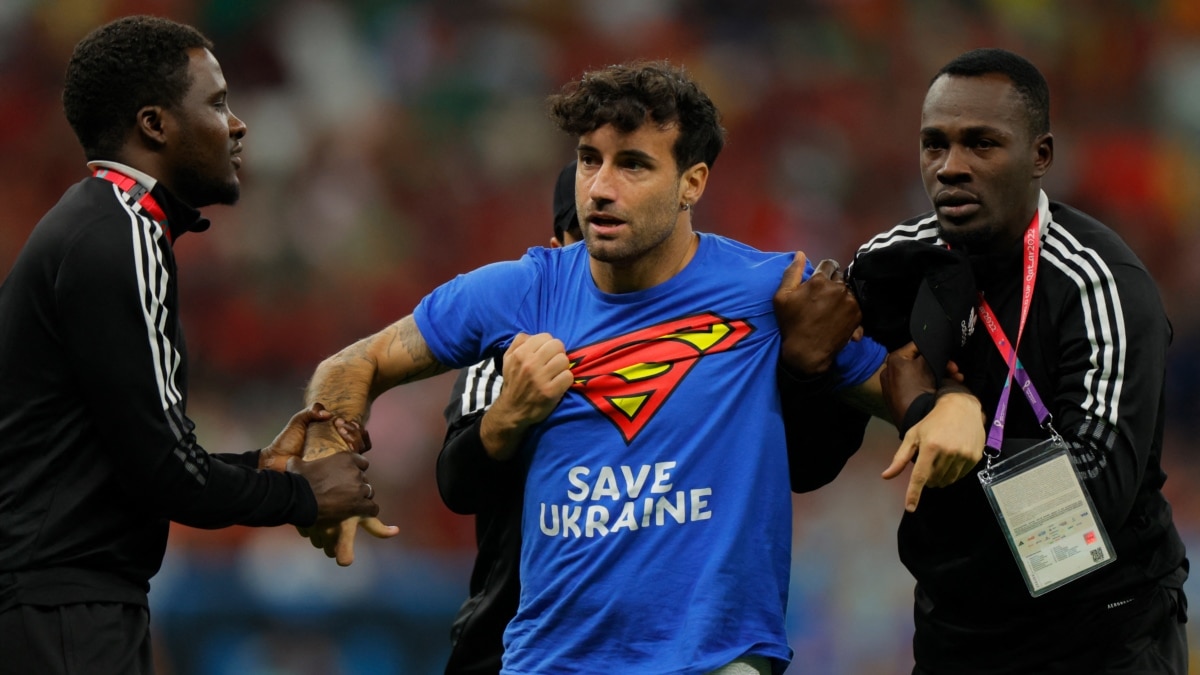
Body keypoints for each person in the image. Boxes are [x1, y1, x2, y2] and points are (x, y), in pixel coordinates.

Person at [299, 59, 984, 674]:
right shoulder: (518, 292)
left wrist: (953, 405)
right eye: (589, 159)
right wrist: (328, 460)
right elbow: (355, 364)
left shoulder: (769, 292)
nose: (599, 187)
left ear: (693, 181)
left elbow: (904, 388)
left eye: (632, 164)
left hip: (713, 657)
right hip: (547, 658)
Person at [0, 16, 381, 675]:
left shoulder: (92, 225)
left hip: (48, 604)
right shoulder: (123, 235)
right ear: (154, 124)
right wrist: (304, 493)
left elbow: (131, 459)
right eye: (217, 102)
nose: (238, 125)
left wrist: (264, 464)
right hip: (64, 613)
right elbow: (167, 475)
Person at [855, 48, 1188, 674]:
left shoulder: (1099, 284)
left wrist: (930, 411)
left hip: (1103, 632)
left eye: (982, 144)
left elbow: (1086, 513)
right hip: (956, 631)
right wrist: (806, 364)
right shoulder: (890, 265)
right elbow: (810, 461)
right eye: (935, 145)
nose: (951, 168)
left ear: (1041, 156)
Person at [435, 160, 582, 675]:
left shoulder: (686, 344)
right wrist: (510, 414)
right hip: (506, 644)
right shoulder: (508, 350)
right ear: (556, 245)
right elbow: (456, 483)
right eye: (581, 236)